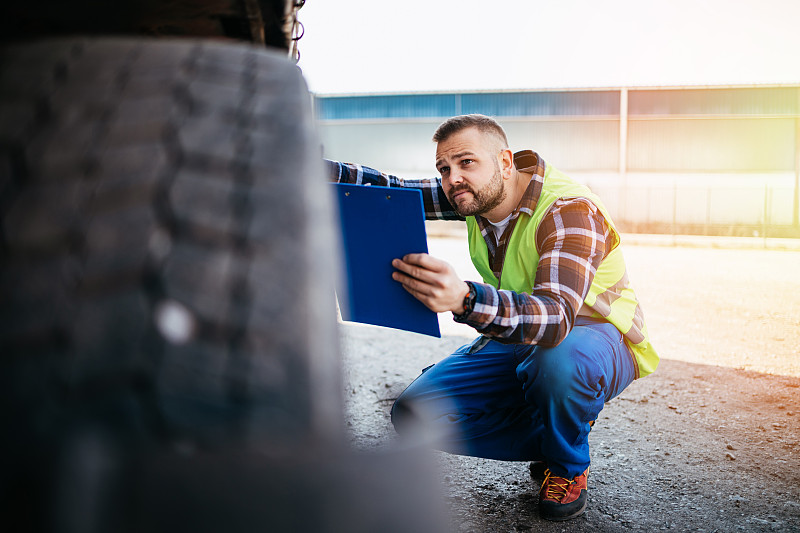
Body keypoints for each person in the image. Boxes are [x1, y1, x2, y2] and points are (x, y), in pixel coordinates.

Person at [326, 114, 658, 522]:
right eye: (443, 169)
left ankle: (567, 465)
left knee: (557, 363)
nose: (453, 178)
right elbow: (391, 190)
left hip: (593, 335)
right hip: (518, 330)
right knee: (416, 414)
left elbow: (555, 320)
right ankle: (556, 434)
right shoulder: (474, 196)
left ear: (504, 162)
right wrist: (311, 170)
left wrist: (464, 298)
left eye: (466, 162)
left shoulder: (569, 210)